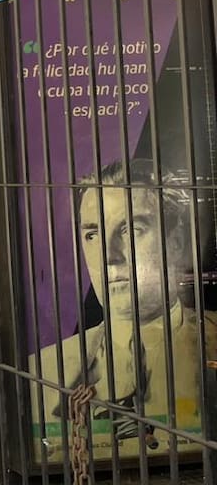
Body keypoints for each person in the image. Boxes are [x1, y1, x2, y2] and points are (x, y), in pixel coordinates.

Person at [30, 159, 217, 455]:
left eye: (131, 229)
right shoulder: (43, 369)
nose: (108, 256)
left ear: (177, 242)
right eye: (92, 235)